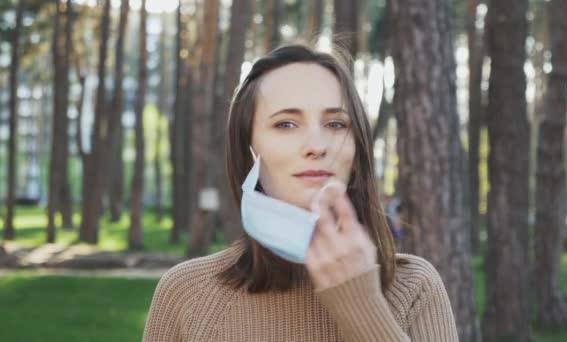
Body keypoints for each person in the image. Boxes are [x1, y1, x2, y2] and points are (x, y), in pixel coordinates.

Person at [142, 44, 458, 342]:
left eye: (335, 124)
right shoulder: (186, 292)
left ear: (357, 150)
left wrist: (363, 309)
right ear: (248, 149)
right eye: (286, 124)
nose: (316, 146)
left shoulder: (415, 286)